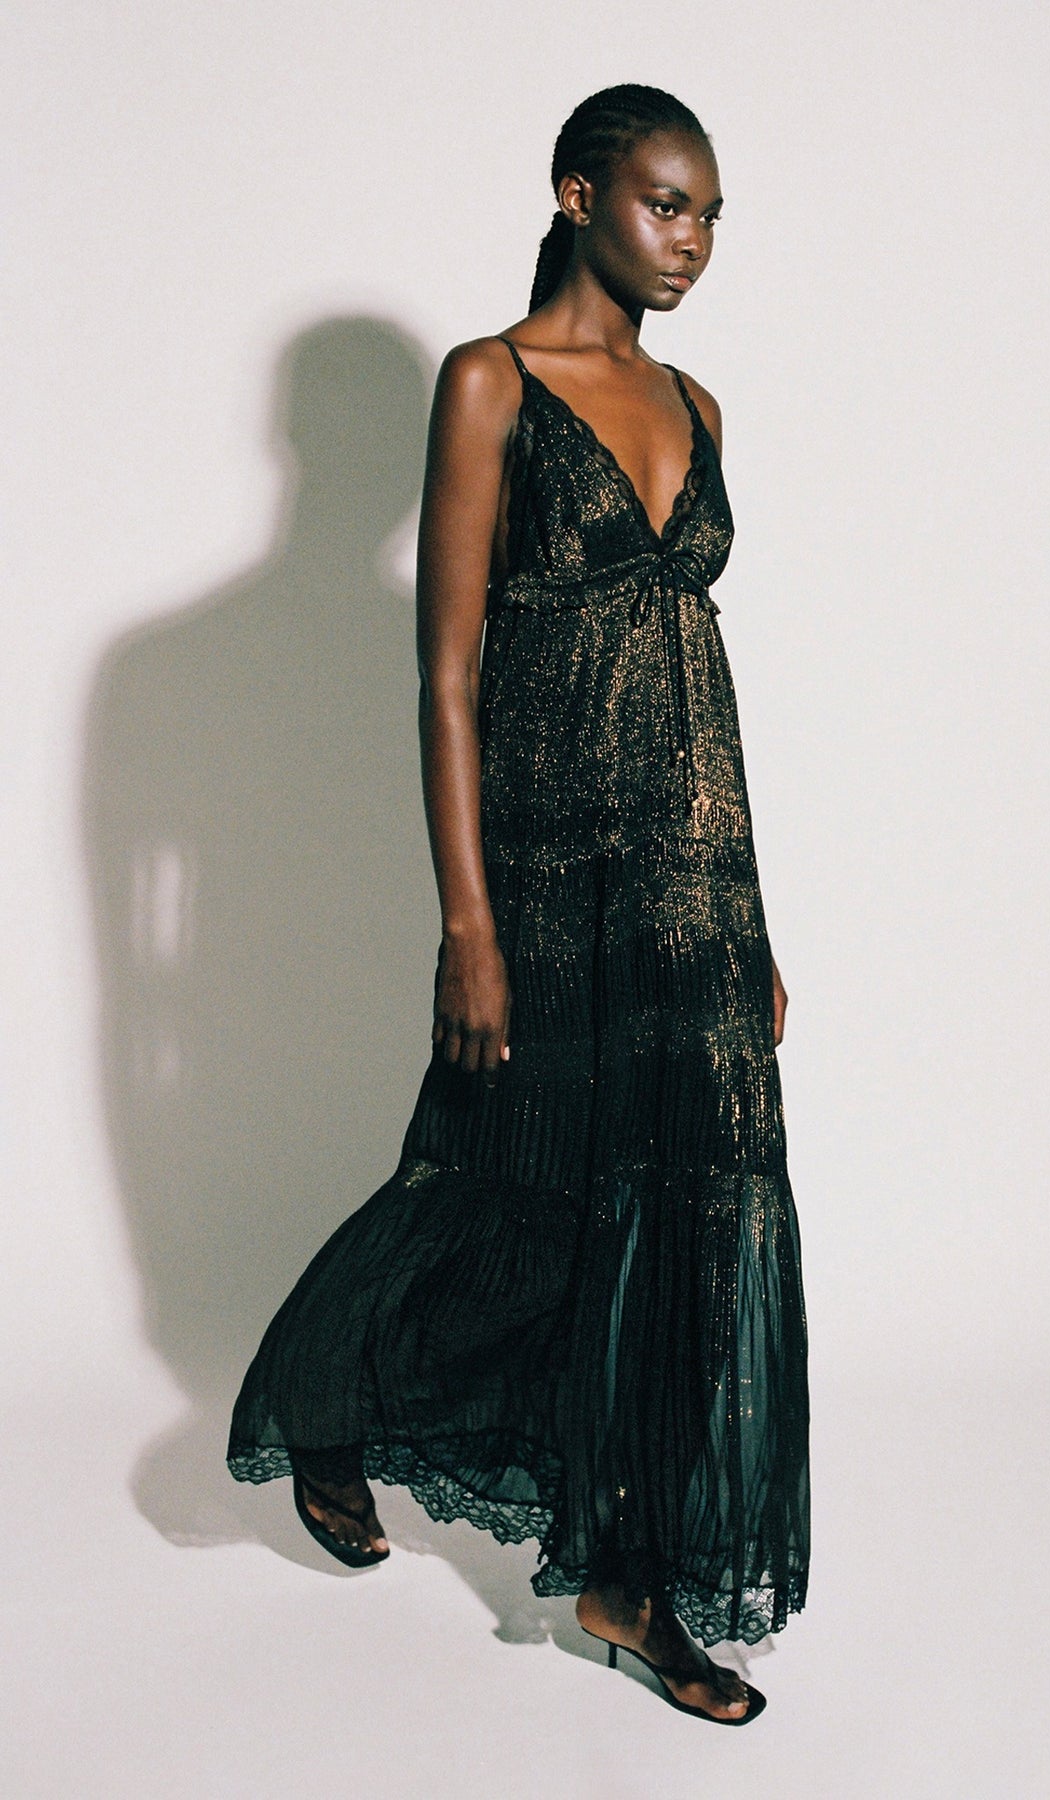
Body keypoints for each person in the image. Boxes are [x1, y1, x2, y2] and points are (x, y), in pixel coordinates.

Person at [228, 82, 810, 1727]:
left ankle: (631, 1577)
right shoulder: (491, 382)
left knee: (684, 1219)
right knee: (498, 1177)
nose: (690, 242)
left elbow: (698, 687)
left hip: (694, 881)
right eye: (664, 203)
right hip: (547, 874)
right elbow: (446, 674)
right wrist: (469, 926)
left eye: (709, 215)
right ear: (576, 194)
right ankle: (328, 1399)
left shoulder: (697, 402)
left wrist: (754, 922)